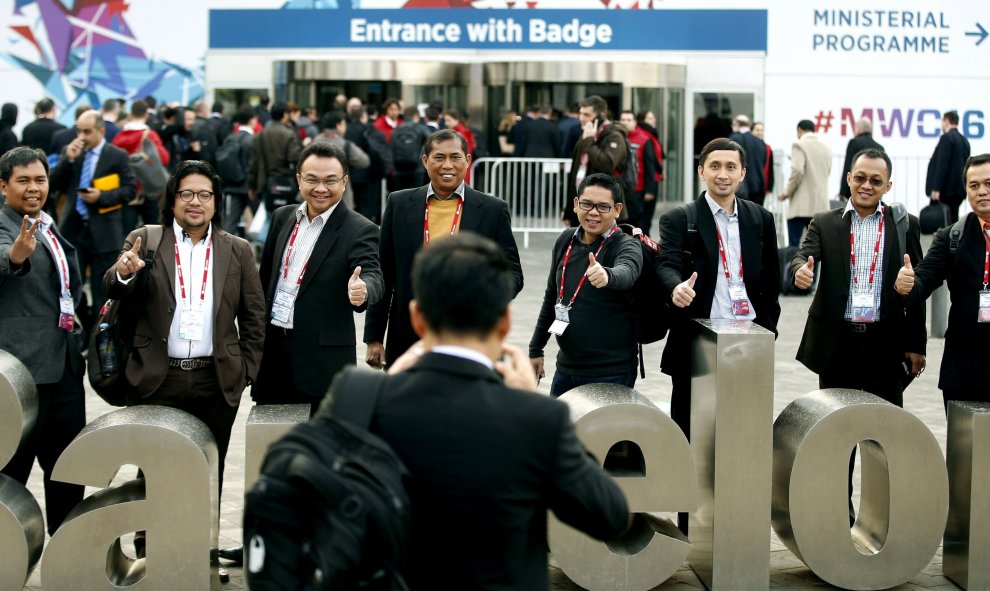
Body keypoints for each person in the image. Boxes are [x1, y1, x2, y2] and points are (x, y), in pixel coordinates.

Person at [322, 232, 629, 590]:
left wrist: (387, 383)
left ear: (418, 318)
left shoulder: (356, 396)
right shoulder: (538, 420)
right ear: (504, 323)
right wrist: (534, 402)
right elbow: (609, 515)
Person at [102, 159, 265, 520]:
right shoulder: (147, 239)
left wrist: (246, 371)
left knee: (209, 470)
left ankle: (202, 555)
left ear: (216, 201)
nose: (196, 201)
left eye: (204, 194)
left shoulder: (236, 249)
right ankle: (151, 551)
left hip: (216, 379)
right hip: (157, 377)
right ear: (173, 199)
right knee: (155, 470)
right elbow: (112, 285)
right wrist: (124, 273)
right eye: (187, 193)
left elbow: (254, 315)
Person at [790, 147, 926, 524]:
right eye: (860, 177)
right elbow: (804, 256)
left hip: (885, 344)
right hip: (840, 345)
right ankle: (838, 513)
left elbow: (915, 287)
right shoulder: (825, 221)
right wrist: (801, 271)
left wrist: (916, 344)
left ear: (888, 186)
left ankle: (886, 514)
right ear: (849, 178)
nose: (866, 185)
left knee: (887, 432)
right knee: (837, 433)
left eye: (875, 180)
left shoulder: (904, 224)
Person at [365, 128, 524, 369]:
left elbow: (513, 273)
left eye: (455, 157)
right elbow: (384, 273)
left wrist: (485, 300)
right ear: (425, 161)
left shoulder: (492, 210)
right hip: (407, 333)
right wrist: (374, 337)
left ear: (468, 161)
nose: (447, 165)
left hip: (470, 335)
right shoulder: (399, 204)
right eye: (439, 157)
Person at [658, 137, 781, 443]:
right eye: (714, 166)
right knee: (690, 434)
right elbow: (666, 264)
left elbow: (771, 281)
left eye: (730, 167)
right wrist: (676, 288)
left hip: (748, 341)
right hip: (696, 340)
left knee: (743, 435)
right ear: (702, 171)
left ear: (742, 173)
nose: (722, 174)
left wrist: (767, 328)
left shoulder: (760, 219)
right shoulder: (680, 219)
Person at [253, 141, 383, 413]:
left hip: (322, 364)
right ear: (299, 179)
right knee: (271, 444)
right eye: (312, 179)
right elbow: (265, 281)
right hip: (274, 356)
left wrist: (363, 290)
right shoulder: (282, 217)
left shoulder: (360, 229)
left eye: (330, 181)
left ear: (345, 181)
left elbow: (371, 272)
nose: (320, 188)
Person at [0, 146, 85, 536]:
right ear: (3, 186)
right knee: (10, 473)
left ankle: (71, 559)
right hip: (21, 377)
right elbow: (7, 259)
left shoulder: (47, 223)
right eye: (23, 181)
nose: (34, 188)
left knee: (68, 471)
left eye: (40, 179)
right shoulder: (7, 228)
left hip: (64, 368)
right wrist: (16, 257)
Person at [529, 173, 642, 397]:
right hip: (566, 368)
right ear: (576, 204)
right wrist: (536, 348)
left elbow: (627, 271)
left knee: (602, 433)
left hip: (611, 372)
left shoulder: (625, 244)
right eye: (587, 204)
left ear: (617, 209)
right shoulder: (566, 240)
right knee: (558, 432)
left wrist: (608, 275)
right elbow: (552, 297)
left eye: (603, 207)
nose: (593, 212)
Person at [896, 153, 990, 408]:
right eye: (974, 185)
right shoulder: (952, 237)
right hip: (964, 371)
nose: (982, 191)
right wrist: (907, 284)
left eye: (988, 184)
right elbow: (925, 278)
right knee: (966, 447)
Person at [50, 109, 137, 326]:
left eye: (87, 132)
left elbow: (129, 191)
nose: (82, 137)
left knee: (102, 289)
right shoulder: (72, 153)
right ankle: (85, 322)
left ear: (101, 130)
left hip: (104, 231)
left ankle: (99, 334)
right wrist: (67, 160)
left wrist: (102, 196)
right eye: (79, 131)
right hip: (74, 229)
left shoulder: (116, 155)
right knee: (70, 285)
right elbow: (52, 185)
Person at [565, 95, 628, 227]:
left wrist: (589, 142)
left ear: (601, 115)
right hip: (582, 203)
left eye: (587, 114)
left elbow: (607, 164)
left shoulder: (613, 135)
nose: (581, 118)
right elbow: (575, 173)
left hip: (603, 207)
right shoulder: (586, 133)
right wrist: (568, 211)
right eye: (580, 113)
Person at [112, 99, 171, 230]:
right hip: (148, 188)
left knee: (127, 232)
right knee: (152, 231)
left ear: (131, 114)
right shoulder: (149, 135)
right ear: (146, 115)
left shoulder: (119, 137)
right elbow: (165, 159)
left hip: (126, 188)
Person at [778, 119, 833, 247]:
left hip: (800, 205)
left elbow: (797, 170)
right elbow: (827, 172)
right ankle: (812, 268)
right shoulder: (826, 149)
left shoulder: (799, 145)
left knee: (794, 246)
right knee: (814, 247)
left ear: (799, 130)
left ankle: (794, 268)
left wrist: (786, 193)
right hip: (820, 207)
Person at [249, 101, 302, 213]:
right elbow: (294, 158)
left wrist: (252, 186)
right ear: (285, 114)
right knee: (286, 216)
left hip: (265, 182)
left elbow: (253, 163)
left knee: (269, 215)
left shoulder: (260, 135)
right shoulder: (289, 134)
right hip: (285, 182)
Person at [925, 111, 971, 223]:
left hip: (946, 191)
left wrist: (936, 189)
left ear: (946, 121)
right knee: (954, 220)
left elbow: (942, 165)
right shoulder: (964, 141)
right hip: (959, 190)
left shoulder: (946, 138)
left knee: (946, 224)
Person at [219, 108, 258, 237]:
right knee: (259, 221)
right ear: (252, 120)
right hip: (250, 187)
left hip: (232, 187)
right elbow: (254, 165)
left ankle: (222, 251)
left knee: (230, 223)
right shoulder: (253, 140)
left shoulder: (230, 138)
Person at [619, 110, 660, 230]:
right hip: (620, 189)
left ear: (635, 122)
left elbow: (650, 166)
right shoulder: (616, 138)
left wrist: (649, 191)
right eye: (623, 120)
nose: (625, 123)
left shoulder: (644, 139)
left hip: (637, 189)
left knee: (637, 223)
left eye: (629, 120)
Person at [838, 118, 883, 202]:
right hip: (874, 192)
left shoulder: (854, 143)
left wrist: (843, 192)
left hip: (857, 190)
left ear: (858, 128)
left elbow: (848, 166)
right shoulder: (880, 147)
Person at [729, 114, 769, 206]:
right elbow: (763, 163)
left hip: (741, 187)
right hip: (759, 186)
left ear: (736, 125)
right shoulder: (760, 142)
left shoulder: (734, 139)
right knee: (756, 217)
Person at [751, 121, 774, 197]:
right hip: (749, 186)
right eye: (757, 130)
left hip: (762, 186)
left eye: (762, 130)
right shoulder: (748, 147)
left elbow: (770, 169)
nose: (759, 132)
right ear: (752, 131)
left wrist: (770, 188)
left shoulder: (767, 148)